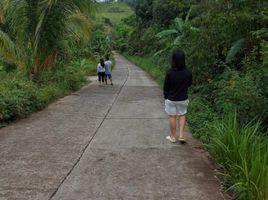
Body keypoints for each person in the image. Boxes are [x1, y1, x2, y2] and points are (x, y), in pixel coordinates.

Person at [163, 50, 192, 144]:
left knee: (172, 116)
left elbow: (166, 86)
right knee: (182, 115)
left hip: (171, 99)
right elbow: (189, 84)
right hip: (183, 98)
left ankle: (172, 137)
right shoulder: (188, 72)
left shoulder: (169, 72)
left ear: (173, 60)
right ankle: (181, 135)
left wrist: (166, 96)